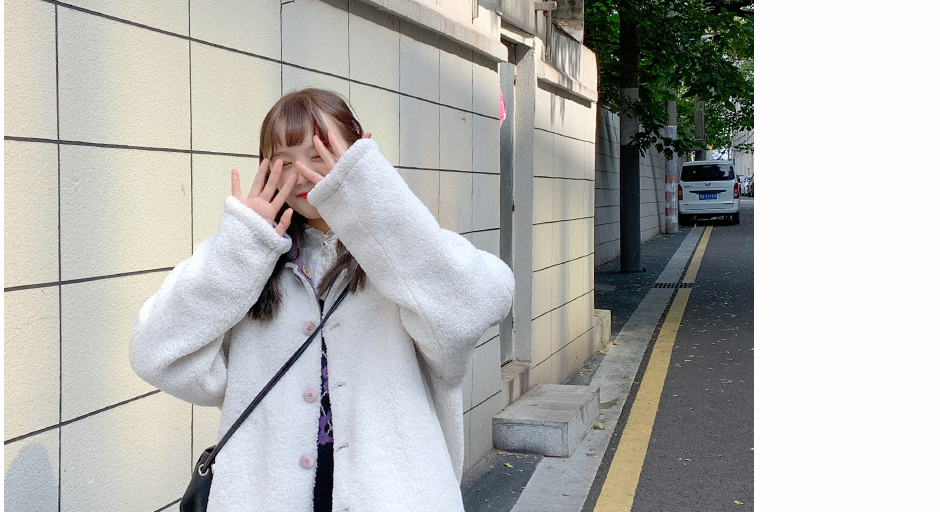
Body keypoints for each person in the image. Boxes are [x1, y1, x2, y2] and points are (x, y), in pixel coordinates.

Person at [129, 88, 515, 512]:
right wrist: (241, 245)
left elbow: (480, 301)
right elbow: (154, 354)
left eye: (320, 153)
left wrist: (371, 198)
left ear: (359, 151)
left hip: (390, 491)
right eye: (284, 160)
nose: (303, 172)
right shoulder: (248, 258)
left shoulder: (405, 252)